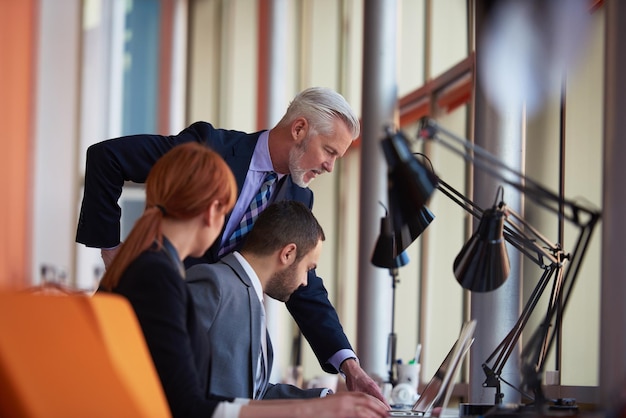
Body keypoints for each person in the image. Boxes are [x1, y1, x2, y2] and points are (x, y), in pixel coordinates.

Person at [76, 86, 387, 404]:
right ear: (299, 129)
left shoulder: (299, 197)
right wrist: (112, 250)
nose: (330, 167)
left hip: (208, 356)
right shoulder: (210, 150)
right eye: (330, 151)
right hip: (145, 322)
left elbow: (301, 283)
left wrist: (348, 366)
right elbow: (107, 158)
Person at [186, 200, 328, 400]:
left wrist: (323, 401)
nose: (305, 282)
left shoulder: (252, 298)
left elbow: (255, 395)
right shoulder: (213, 283)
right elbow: (168, 376)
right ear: (288, 253)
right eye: (308, 269)